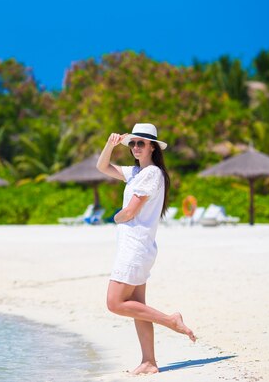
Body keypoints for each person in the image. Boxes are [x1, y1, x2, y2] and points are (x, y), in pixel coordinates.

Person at [96, 123, 196, 375]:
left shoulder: (152, 173)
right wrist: (110, 144)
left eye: (141, 143)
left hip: (135, 248)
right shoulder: (135, 172)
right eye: (132, 143)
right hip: (138, 248)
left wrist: (115, 217)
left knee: (114, 302)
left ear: (152, 146)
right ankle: (149, 361)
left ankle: (171, 320)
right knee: (137, 305)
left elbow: (130, 211)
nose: (136, 147)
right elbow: (102, 167)